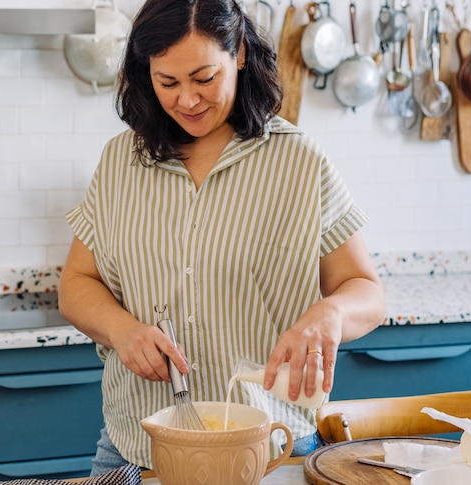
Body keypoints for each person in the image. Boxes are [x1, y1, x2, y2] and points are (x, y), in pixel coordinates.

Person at [59, 0, 385, 475]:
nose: (187, 100)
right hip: (137, 447)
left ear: (239, 55)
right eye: (167, 82)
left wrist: (330, 313)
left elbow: (367, 291)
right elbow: (76, 283)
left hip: (270, 450)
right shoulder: (120, 162)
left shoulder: (299, 163)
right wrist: (122, 330)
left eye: (203, 78)